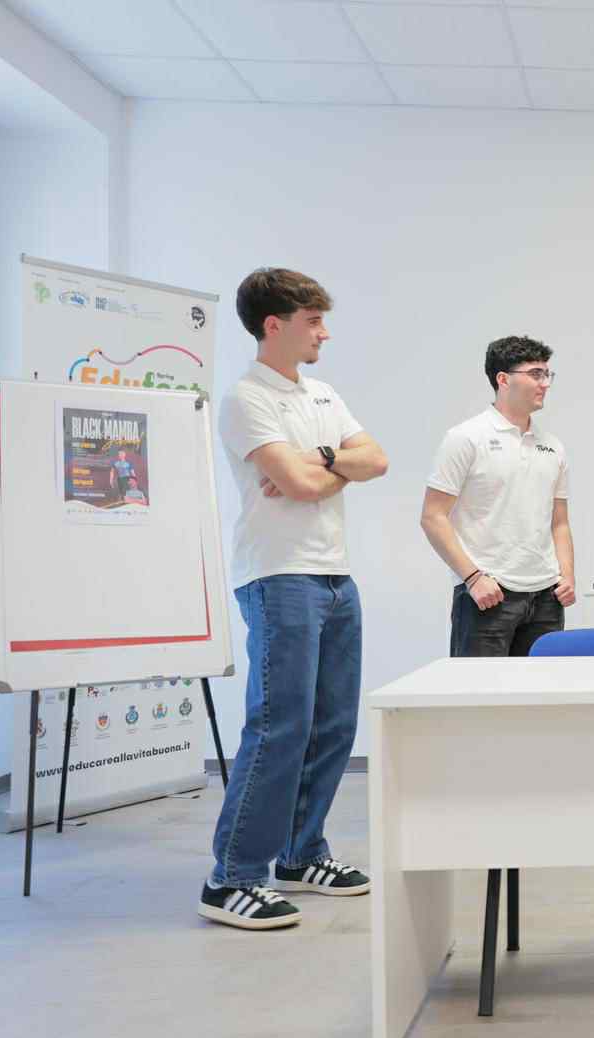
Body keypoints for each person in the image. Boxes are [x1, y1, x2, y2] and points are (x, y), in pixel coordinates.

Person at [199, 268, 389, 930]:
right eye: (313, 322)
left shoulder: (323, 394)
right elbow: (301, 485)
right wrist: (331, 469)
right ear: (273, 326)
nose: (324, 333)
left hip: (334, 575)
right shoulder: (245, 399)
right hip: (279, 577)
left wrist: (319, 459)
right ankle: (231, 876)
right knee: (279, 727)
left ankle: (301, 854)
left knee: (333, 725)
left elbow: (376, 460)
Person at [421, 335, 576, 658]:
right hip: (488, 593)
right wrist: (473, 578)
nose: (545, 383)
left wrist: (567, 575)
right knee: (479, 690)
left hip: (546, 597)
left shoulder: (553, 446)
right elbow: (433, 517)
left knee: (541, 690)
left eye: (547, 374)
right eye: (535, 374)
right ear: (503, 379)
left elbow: (559, 522)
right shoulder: (465, 438)